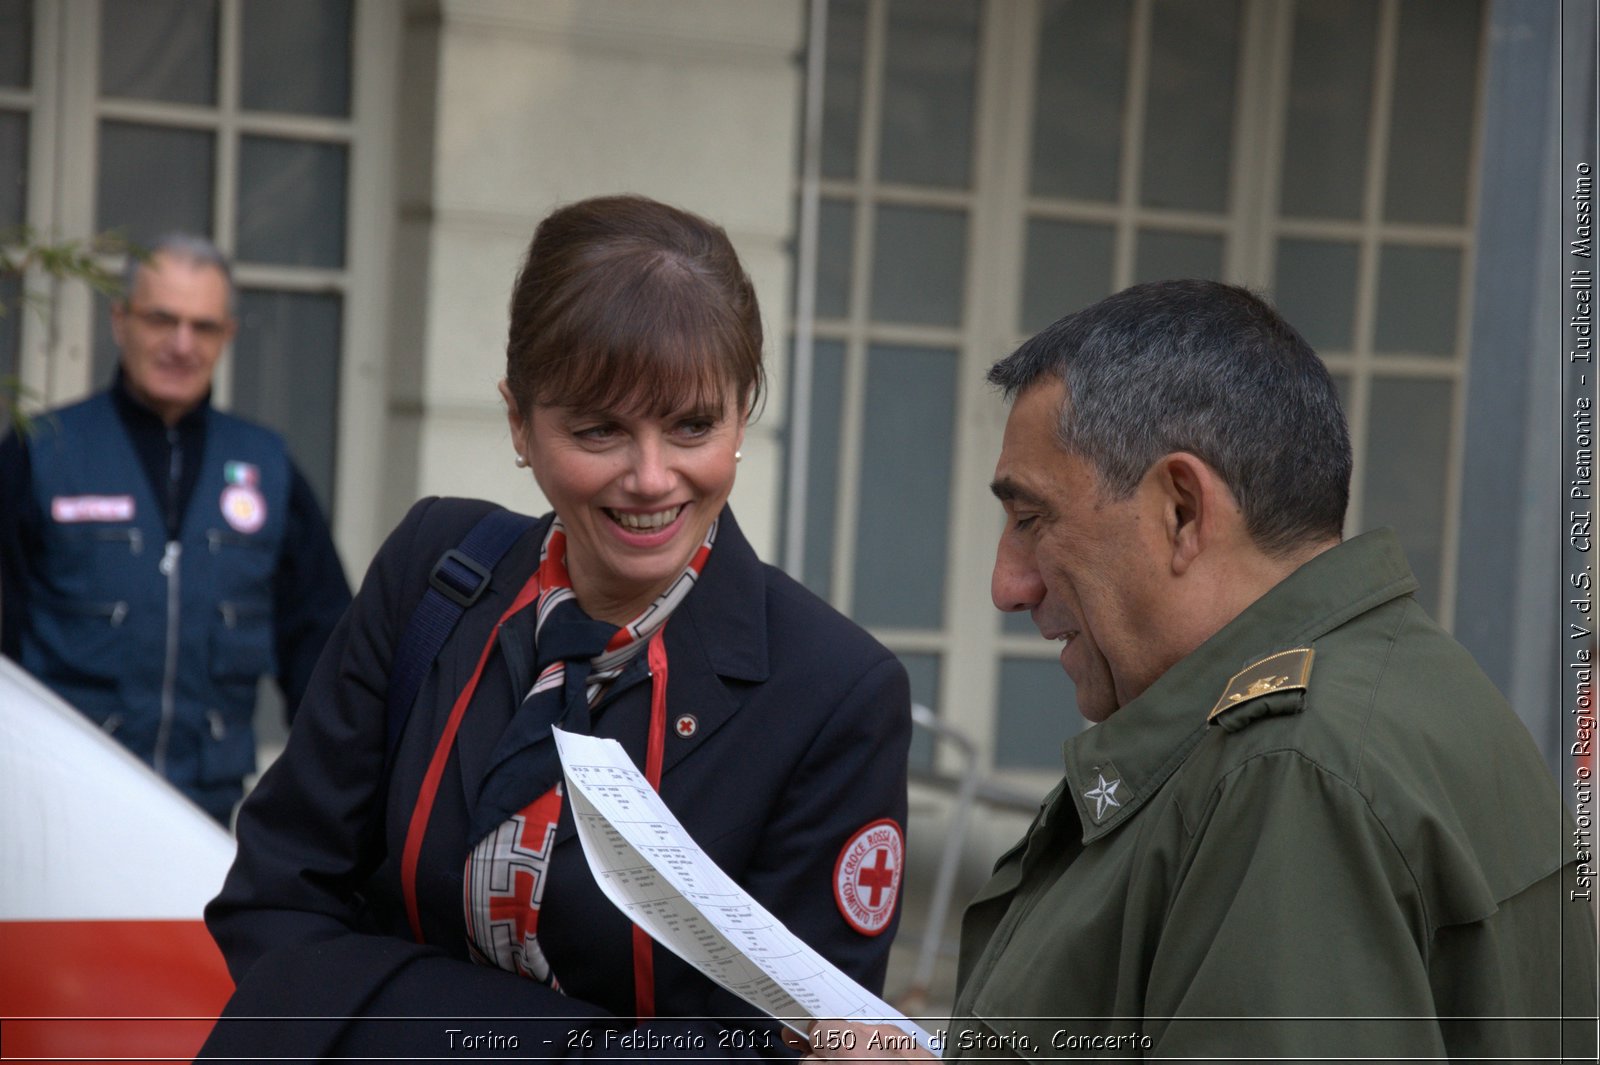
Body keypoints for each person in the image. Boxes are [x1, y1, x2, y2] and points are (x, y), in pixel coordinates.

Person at [799, 280, 1597, 1061]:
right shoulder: (1397, 690)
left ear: (1181, 509)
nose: (1009, 584)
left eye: (1032, 519)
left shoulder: (1289, 772)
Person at [200, 195, 913, 1058]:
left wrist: (402, 1020)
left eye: (694, 424)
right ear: (518, 422)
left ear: (742, 415)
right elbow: (275, 899)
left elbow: (785, 1043)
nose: (652, 478)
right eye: (599, 429)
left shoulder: (833, 692)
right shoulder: (435, 571)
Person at [0, 234, 351, 825]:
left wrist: (326, 806)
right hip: (54, 809)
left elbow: (326, 651)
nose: (181, 345)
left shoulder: (267, 469)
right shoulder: (41, 453)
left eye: (203, 326)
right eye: (162, 319)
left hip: (204, 818)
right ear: (120, 320)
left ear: (228, 335)